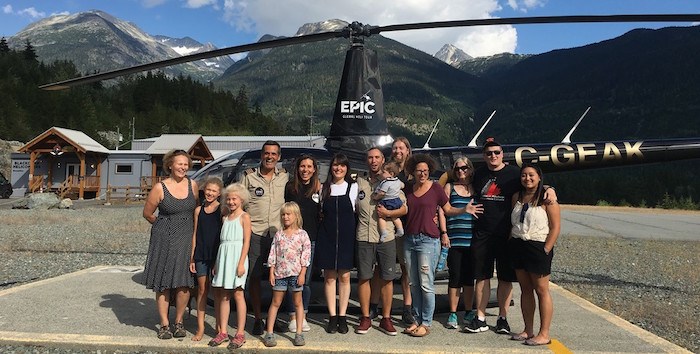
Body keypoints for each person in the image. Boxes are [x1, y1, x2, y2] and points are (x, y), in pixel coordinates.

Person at [464, 138, 555, 335]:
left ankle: (502, 318)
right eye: (489, 153)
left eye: (496, 152)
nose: (493, 156)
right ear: (484, 156)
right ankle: (480, 317)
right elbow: (459, 181)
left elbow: (534, 184)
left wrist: (550, 189)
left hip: (507, 235)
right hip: (483, 232)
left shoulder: (515, 174)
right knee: (482, 276)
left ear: (503, 154)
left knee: (506, 278)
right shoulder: (479, 173)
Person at [402, 153, 483, 337]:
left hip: (428, 240)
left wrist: (464, 209)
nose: (422, 174)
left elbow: (447, 210)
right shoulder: (407, 189)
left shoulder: (437, 188)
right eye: (418, 171)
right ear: (413, 172)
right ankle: (416, 319)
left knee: (426, 283)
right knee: (414, 283)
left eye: (425, 171)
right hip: (409, 239)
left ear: (429, 171)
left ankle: (426, 322)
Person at [142, 149, 199, 340]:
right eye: (179, 164)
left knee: (184, 284)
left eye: (185, 164)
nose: (183, 167)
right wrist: (163, 228)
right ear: (170, 165)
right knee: (164, 283)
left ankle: (179, 321)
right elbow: (148, 213)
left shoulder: (193, 185)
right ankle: (165, 324)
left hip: (186, 238)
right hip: (164, 239)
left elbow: (196, 211)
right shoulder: (160, 187)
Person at [355, 147, 407, 336]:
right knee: (364, 277)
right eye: (370, 157)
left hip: (387, 237)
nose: (373, 161)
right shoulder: (358, 181)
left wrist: (389, 213)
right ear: (366, 160)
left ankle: (386, 318)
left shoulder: (391, 181)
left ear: (382, 159)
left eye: (377, 157)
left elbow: (404, 209)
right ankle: (365, 317)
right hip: (364, 235)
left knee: (387, 278)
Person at [509, 164, 561, 346]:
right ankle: (528, 329)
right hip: (518, 245)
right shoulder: (517, 197)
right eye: (524, 175)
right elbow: (513, 223)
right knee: (525, 290)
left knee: (541, 290)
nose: (527, 178)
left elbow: (555, 228)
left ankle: (544, 333)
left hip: (538, 246)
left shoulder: (547, 199)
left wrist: (546, 249)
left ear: (539, 177)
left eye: (531, 175)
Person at [241, 140, 289, 335]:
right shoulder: (249, 177)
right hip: (255, 232)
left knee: (278, 277)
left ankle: (273, 318)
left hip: (278, 234)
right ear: (262, 155)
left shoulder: (285, 177)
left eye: (274, 154)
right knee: (254, 276)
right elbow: (240, 203)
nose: (270, 157)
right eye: (266, 153)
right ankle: (258, 318)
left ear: (278, 157)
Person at [315, 153, 357, 334]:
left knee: (345, 277)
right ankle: (332, 316)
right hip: (327, 236)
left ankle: (343, 315)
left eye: (342, 165)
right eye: (335, 165)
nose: (338, 168)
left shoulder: (353, 188)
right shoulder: (323, 188)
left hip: (347, 237)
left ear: (347, 168)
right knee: (330, 277)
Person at [262, 202, 312, 347]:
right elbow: (273, 253)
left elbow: (306, 254)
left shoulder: (302, 234)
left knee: (298, 303)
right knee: (275, 302)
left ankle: (299, 333)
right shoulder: (279, 234)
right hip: (280, 274)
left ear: (296, 216)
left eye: (288, 214)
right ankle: (269, 332)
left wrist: (303, 273)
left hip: (296, 273)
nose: (285, 217)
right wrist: (271, 271)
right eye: (283, 214)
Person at [209, 183, 251, 349]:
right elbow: (221, 242)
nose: (231, 202)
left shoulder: (244, 217)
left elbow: (246, 241)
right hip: (224, 256)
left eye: (235, 199)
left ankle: (240, 333)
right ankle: (223, 331)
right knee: (224, 295)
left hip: (237, 257)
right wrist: (217, 263)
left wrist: (241, 263)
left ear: (241, 200)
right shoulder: (225, 217)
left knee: (238, 295)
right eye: (229, 199)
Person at [283, 154, 322, 333]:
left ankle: (302, 315)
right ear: (297, 168)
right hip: (292, 240)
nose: (305, 170)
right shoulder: (290, 188)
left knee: (304, 280)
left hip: (310, 239)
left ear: (314, 169)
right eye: (302, 166)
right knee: (292, 279)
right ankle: (292, 316)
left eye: (309, 167)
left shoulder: (319, 188)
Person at [442, 157, 477, 329]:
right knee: (455, 277)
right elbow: (444, 210)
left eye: (464, 168)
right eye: (457, 169)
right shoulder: (449, 187)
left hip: (473, 240)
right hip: (455, 240)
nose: (460, 171)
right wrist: (444, 233)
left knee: (469, 278)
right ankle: (453, 312)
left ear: (470, 169)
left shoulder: (476, 188)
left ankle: (469, 310)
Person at [189, 177, 224, 342]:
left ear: (219, 193)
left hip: (216, 255)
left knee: (217, 292)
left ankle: (219, 326)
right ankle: (201, 327)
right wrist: (192, 257)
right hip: (201, 254)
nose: (210, 193)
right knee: (202, 290)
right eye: (208, 190)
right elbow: (195, 234)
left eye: (214, 191)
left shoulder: (222, 210)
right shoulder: (198, 210)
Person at [390, 137, 414, 325]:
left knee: (411, 268)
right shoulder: (390, 171)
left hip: (412, 223)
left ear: (407, 150)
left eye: (401, 148)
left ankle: (412, 304)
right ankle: (407, 306)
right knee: (403, 269)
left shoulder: (414, 172)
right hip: (393, 225)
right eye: (395, 148)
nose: (398, 151)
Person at [371, 160, 405, 242]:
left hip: (387, 201)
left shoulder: (386, 183)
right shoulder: (397, 181)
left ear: (391, 174)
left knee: (381, 217)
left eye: (383, 172)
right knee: (395, 217)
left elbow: (382, 193)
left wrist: (375, 197)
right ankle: (400, 229)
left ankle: (383, 232)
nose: (381, 174)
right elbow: (402, 186)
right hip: (397, 201)